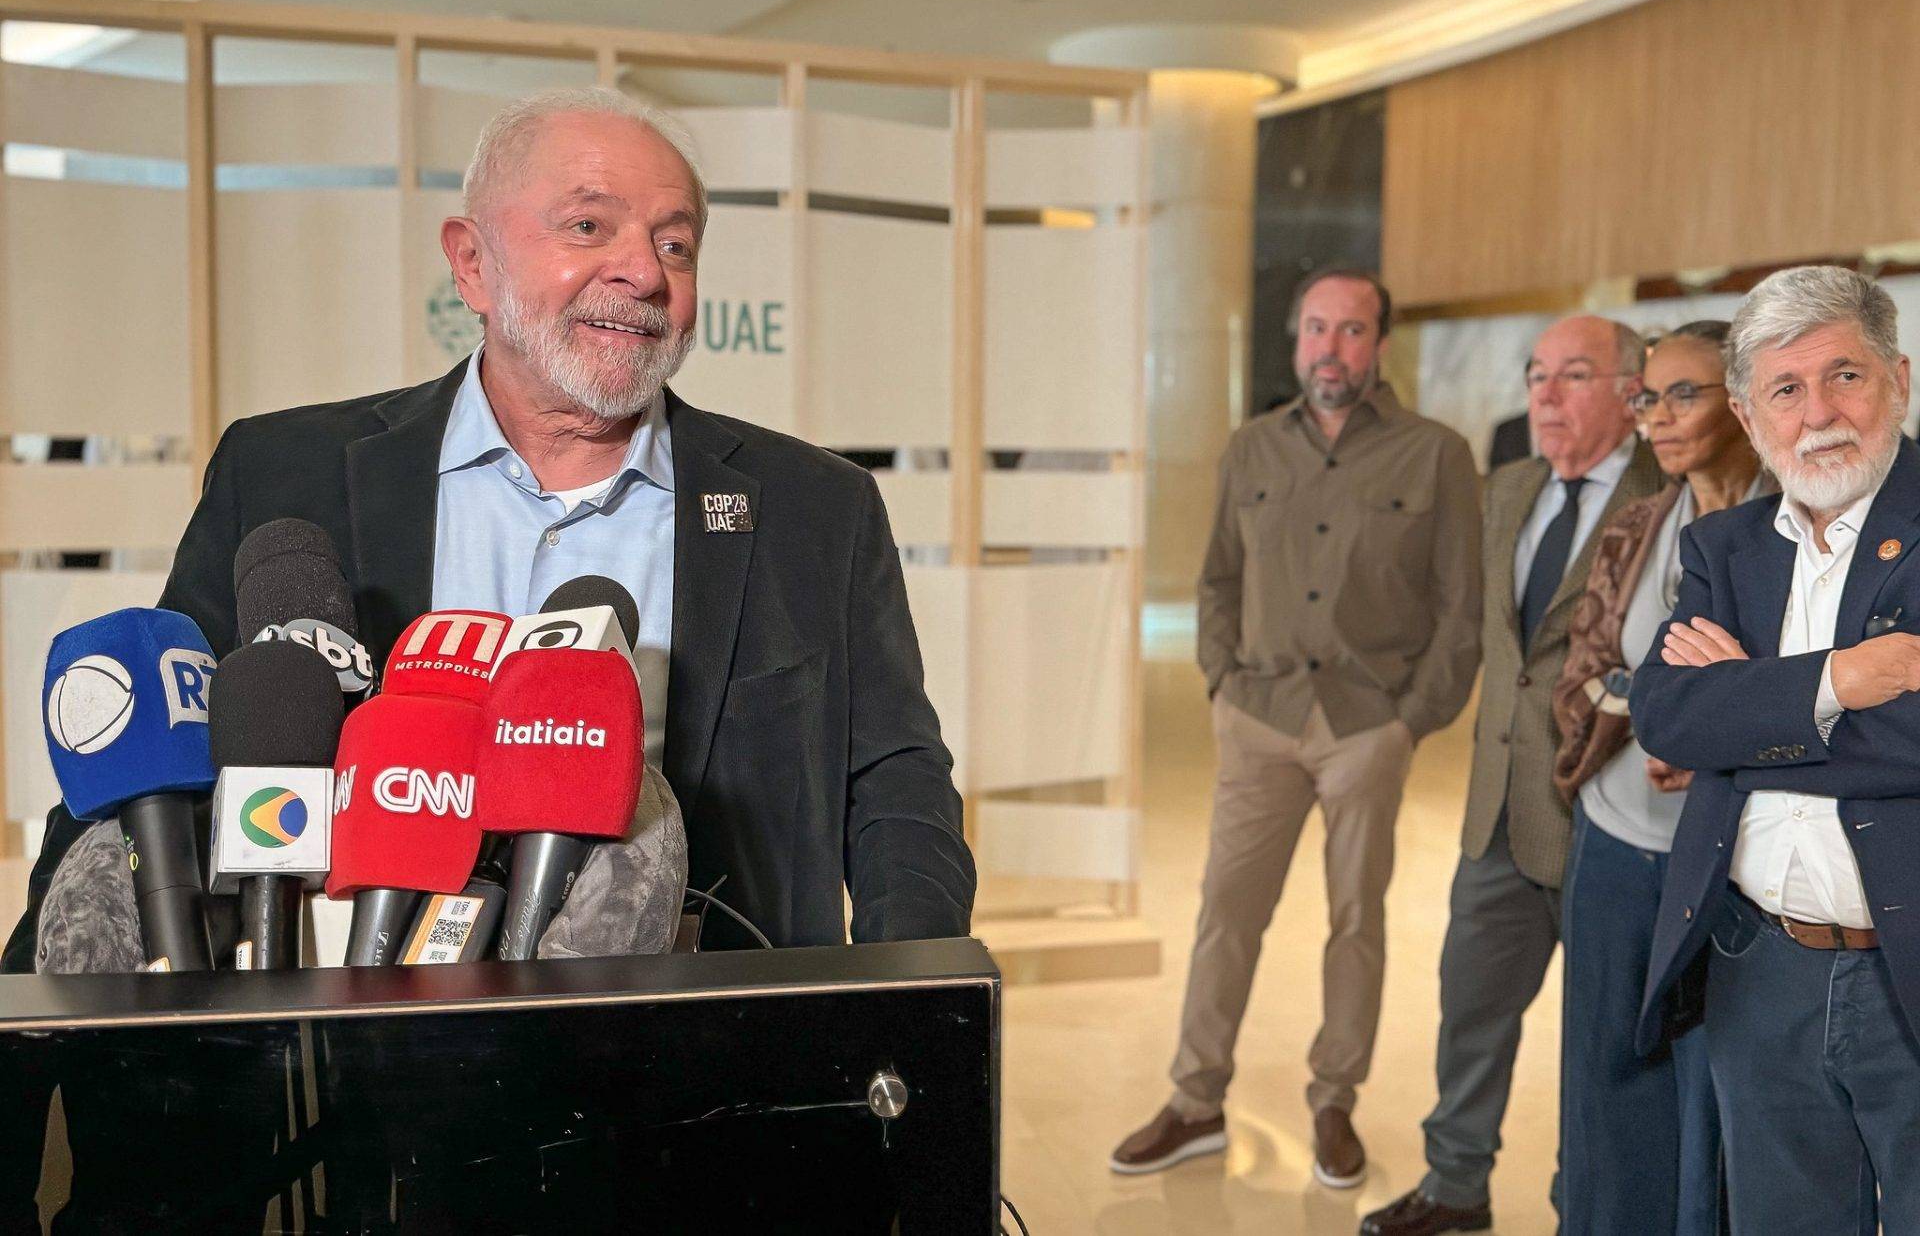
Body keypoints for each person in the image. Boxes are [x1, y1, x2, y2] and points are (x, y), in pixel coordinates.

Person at [9, 85, 975, 957]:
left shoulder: (816, 508)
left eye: (675, 244)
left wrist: (918, 1007)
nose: (642, 271)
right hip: (347, 1053)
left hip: (710, 1057)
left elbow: (894, 784)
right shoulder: (281, 475)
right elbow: (149, 761)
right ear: (471, 264)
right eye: (589, 226)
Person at [1110, 270, 1483, 1187]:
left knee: (1356, 918)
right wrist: (1221, 684)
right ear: (1296, 339)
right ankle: (1195, 1099)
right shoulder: (1251, 448)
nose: (1331, 348)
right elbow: (1216, 579)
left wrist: (1409, 722)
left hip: (1367, 725)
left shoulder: (1434, 454)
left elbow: (1462, 610)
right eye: (1317, 328)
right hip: (1260, 719)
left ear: (1379, 344)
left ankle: (1334, 1099)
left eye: (1351, 330)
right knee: (1225, 911)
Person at [1632, 266, 1920, 1233]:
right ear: (1750, 418)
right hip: (1759, 963)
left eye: (1846, 376)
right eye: (1786, 389)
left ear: (1899, 381)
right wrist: (1838, 681)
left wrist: (1747, 707)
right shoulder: (1725, 547)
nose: (1819, 414)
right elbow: (1667, 715)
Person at [1364, 315, 1663, 1236]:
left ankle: (1586, 1205)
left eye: (1573, 375)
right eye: (1537, 375)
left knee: (1602, 1038)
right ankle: (1455, 1185)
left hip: (1603, 816)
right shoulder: (1509, 488)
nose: (1545, 394)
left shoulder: (1668, 495)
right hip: (1495, 812)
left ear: (1631, 392)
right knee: (1470, 1011)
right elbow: (1481, 635)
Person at [1551, 321, 1765, 1234]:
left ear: (1743, 403)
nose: (1657, 417)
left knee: (1711, 1099)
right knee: (1604, 1083)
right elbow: (1580, 673)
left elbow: (1803, 696)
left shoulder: (1796, 533)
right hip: (1613, 842)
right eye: (1647, 397)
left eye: (1684, 393)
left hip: (1726, 866)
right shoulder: (1637, 526)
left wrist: (1710, 736)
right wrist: (1656, 709)